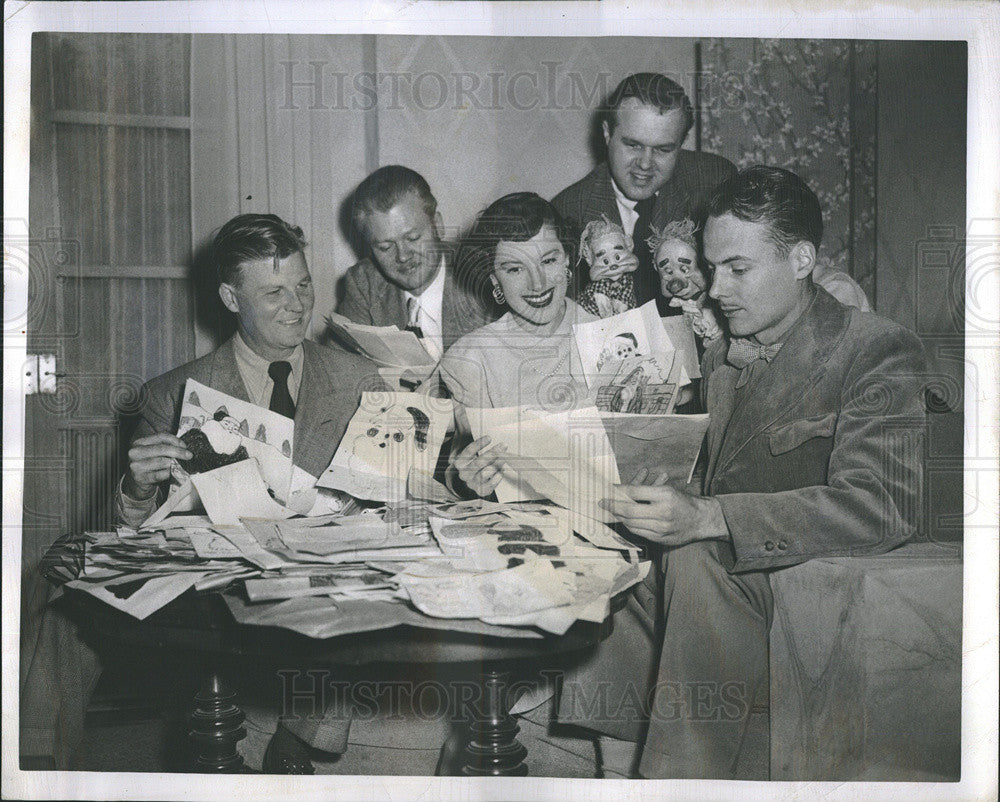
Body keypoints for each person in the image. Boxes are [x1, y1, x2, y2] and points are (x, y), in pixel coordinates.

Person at [601, 166, 927, 778]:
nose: (714, 287)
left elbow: (881, 505)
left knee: (695, 557)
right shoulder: (725, 351)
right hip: (734, 571)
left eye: (737, 268)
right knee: (608, 555)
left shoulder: (878, 349)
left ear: (802, 259)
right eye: (711, 265)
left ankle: (676, 779)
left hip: (819, 581)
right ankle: (621, 761)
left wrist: (708, 516)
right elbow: (715, 474)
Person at [114, 213, 384, 773]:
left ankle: (297, 739)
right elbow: (134, 542)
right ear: (230, 298)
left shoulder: (361, 380)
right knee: (54, 606)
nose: (298, 305)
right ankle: (35, 756)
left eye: (304, 284)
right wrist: (138, 488)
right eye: (274, 292)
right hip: (226, 593)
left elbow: (395, 504)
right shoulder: (170, 395)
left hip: (331, 583)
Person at [436, 192, 659, 776]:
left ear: (572, 262)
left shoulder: (622, 338)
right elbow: (437, 482)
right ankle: (493, 730)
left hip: (620, 525)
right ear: (493, 281)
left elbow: (662, 450)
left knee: (632, 570)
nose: (537, 282)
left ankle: (618, 776)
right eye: (515, 267)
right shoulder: (470, 359)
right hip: (522, 537)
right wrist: (467, 482)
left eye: (550, 260)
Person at [552, 72, 736, 311]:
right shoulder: (567, 212)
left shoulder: (715, 181)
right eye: (633, 145)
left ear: (681, 142)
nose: (645, 164)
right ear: (607, 134)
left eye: (663, 150)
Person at [336, 164, 494, 362]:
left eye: (412, 238)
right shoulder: (364, 283)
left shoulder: (481, 278)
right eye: (385, 247)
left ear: (438, 225)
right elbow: (340, 369)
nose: (402, 256)